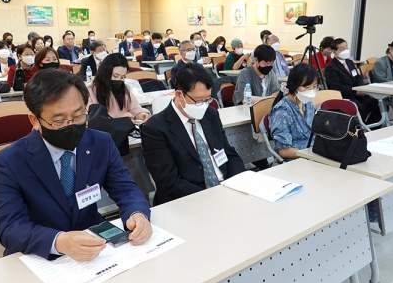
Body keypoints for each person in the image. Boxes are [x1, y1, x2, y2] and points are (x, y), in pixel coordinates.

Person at [0, 68, 152, 260]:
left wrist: (137, 214)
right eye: (58, 120)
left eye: (78, 116)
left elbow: (125, 188)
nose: (70, 125)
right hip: (41, 255)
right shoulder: (9, 161)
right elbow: (10, 228)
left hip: (94, 244)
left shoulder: (101, 143)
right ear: (35, 120)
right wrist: (59, 241)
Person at [141, 63, 244, 205]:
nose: (204, 105)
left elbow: (229, 153)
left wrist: (238, 182)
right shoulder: (155, 128)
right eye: (198, 100)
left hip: (225, 189)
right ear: (179, 94)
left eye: (208, 99)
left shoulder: (210, 114)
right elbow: (169, 181)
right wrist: (212, 196)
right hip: (188, 200)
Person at [325, 38, 381, 124]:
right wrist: (355, 91)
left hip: (358, 94)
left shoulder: (349, 62)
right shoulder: (331, 67)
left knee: (378, 105)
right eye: (342, 49)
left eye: (346, 47)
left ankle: (370, 128)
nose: (346, 50)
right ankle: (355, 131)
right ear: (334, 51)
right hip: (345, 96)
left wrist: (359, 88)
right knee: (362, 108)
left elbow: (358, 77)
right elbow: (337, 87)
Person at [269, 64, 318, 160]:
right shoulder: (282, 112)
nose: (311, 91)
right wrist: (312, 155)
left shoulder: (308, 104)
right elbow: (284, 151)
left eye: (315, 87)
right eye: (307, 87)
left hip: (314, 154)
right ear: (294, 86)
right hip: (296, 160)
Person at [87, 53, 151, 121]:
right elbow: (92, 122)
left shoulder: (125, 89)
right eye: (115, 76)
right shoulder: (90, 93)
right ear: (105, 73)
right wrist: (119, 121)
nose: (118, 80)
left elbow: (135, 108)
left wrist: (140, 114)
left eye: (122, 77)